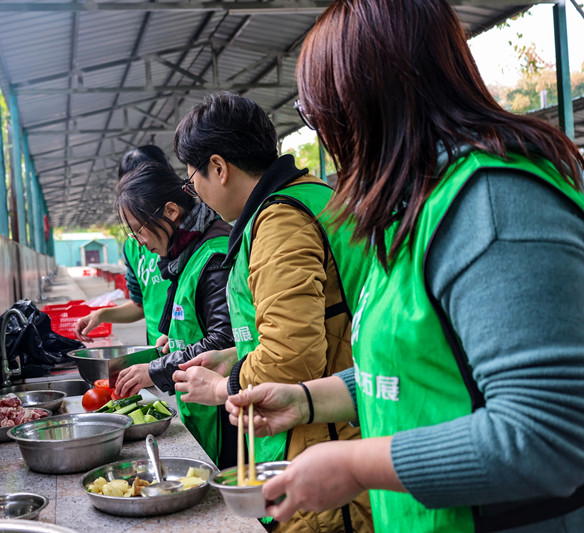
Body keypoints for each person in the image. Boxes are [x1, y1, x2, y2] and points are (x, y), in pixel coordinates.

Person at [226, 1, 584, 532]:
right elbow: (416, 367)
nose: (322, 130)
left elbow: (550, 434)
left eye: (317, 109)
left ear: (368, 99)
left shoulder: (494, 206)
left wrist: (353, 465)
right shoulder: (416, 209)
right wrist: (306, 400)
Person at [172, 91, 373, 533]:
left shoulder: (280, 219)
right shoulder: (316, 195)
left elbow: (291, 356)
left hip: (325, 448)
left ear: (219, 168)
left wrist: (223, 384)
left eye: (193, 181)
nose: (198, 195)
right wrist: (234, 356)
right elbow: (314, 321)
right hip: (351, 428)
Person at [111, 161, 238, 469]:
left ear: (171, 211)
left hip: (225, 415)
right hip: (200, 405)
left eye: (140, 229)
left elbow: (224, 340)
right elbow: (199, 320)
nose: (139, 241)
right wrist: (176, 339)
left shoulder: (213, 253)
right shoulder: (187, 252)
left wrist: (153, 370)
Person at [74, 146, 172, 346]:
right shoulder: (132, 247)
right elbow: (141, 305)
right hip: (159, 348)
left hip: (194, 348)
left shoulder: (188, 237)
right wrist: (101, 315)